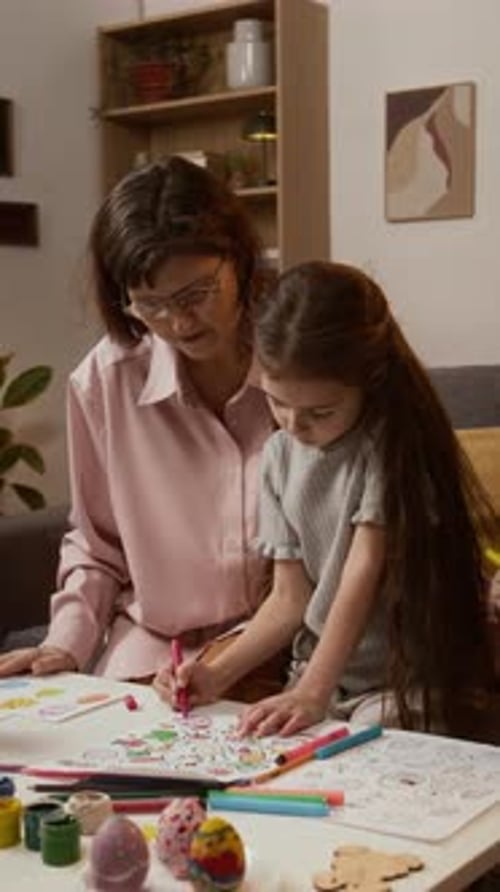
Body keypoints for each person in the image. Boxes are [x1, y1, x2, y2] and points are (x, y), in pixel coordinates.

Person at [154, 261, 499, 740]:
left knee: (378, 744)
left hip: (400, 684)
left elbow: (363, 569)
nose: (295, 425)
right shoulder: (279, 456)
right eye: (277, 402)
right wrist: (216, 673)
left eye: (320, 411)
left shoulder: (390, 448)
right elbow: (289, 599)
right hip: (319, 676)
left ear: (368, 383)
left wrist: (314, 691)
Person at [0, 156, 276, 682]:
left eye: (196, 293)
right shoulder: (105, 381)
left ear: (238, 260)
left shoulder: (302, 365)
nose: (178, 321)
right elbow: (96, 545)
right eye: (149, 304)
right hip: (155, 654)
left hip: (282, 648)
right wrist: (65, 644)